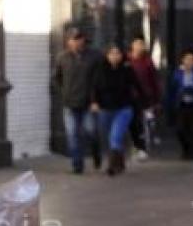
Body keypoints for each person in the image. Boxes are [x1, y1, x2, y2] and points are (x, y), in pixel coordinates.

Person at [52, 27, 102, 174]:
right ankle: (77, 164)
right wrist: (63, 92)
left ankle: (96, 152)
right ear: (69, 42)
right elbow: (56, 78)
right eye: (74, 39)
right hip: (70, 103)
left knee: (91, 131)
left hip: (88, 103)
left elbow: (97, 81)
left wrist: (95, 100)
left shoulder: (94, 57)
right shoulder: (62, 58)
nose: (78, 42)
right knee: (72, 134)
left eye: (80, 39)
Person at [91, 44, 145, 176]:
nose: (115, 57)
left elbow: (137, 86)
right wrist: (94, 102)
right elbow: (93, 87)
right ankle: (120, 162)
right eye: (112, 54)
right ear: (107, 55)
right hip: (104, 108)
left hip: (123, 108)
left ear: (122, 56)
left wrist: (143, 102)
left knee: (115, 136)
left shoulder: (127, 69)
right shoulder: (100, 69)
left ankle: (112, 166)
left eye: (118, 54)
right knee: (107, 137)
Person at [168, 49, 193, 160]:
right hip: (181, 104)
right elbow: (173, 87)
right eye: (188, 59)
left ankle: (191, 152)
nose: (190, 62)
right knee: (180, 129)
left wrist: (190, 89)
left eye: (192, 59)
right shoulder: (178, 73)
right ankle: (185, 148)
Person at [127, 36, 162, 158]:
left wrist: (156, 98)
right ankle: (136, 145)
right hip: (129, 97)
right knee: (133, 122)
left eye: (141, 44)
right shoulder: (127, 61)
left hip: (145, 96)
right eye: (137, 44)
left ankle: (143, 146)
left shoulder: (148, 62)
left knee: (144, 121)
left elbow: (154, 80)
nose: (139, 47)